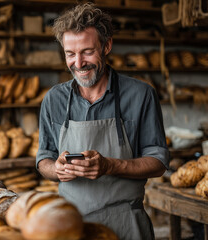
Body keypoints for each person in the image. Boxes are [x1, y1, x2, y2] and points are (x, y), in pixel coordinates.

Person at [36, 3, 169, 240]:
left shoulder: (141, 95)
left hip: (127, 222)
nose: (78, 63)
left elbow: (158, 162)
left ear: (106, 46)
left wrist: (109, 166)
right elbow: (43, 158)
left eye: (87, 51)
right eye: (70, 54)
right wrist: (55, 169)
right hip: (71, 224)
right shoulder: (53, 99)